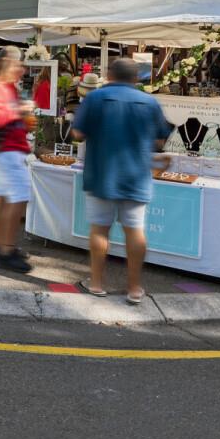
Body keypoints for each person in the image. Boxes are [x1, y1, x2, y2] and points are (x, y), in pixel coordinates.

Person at [72, 57, 172, 304]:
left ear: (110, 75)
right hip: (136, 174)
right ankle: (135, 288)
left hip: (102, 172)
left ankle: (96, 284)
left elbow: (77, 133)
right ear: (136, 78)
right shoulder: (150, 101)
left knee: (99, 229)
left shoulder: (95, 98)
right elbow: (160, 140)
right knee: (135, 230)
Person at [0, 45, 34, 273]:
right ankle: (6, 251)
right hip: (5, 149)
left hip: (8, 148)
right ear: (7, 63)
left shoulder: (4, 85)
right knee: (19, 196)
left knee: (3, 195)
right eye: (18, 63)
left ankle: (1, 246)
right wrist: (20, 110)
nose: (21, 68)